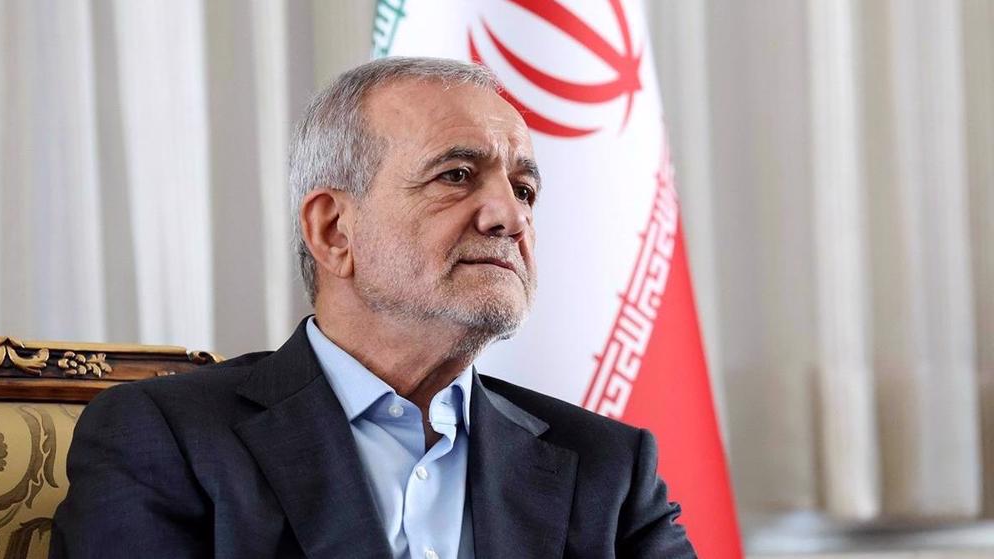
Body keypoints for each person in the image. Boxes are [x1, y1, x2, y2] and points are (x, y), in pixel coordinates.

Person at [50, 57, 696, 559]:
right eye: (456, 175)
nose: (509, 216)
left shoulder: (607, 463)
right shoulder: (168, 436)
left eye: (524, 188)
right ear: (334, 229)